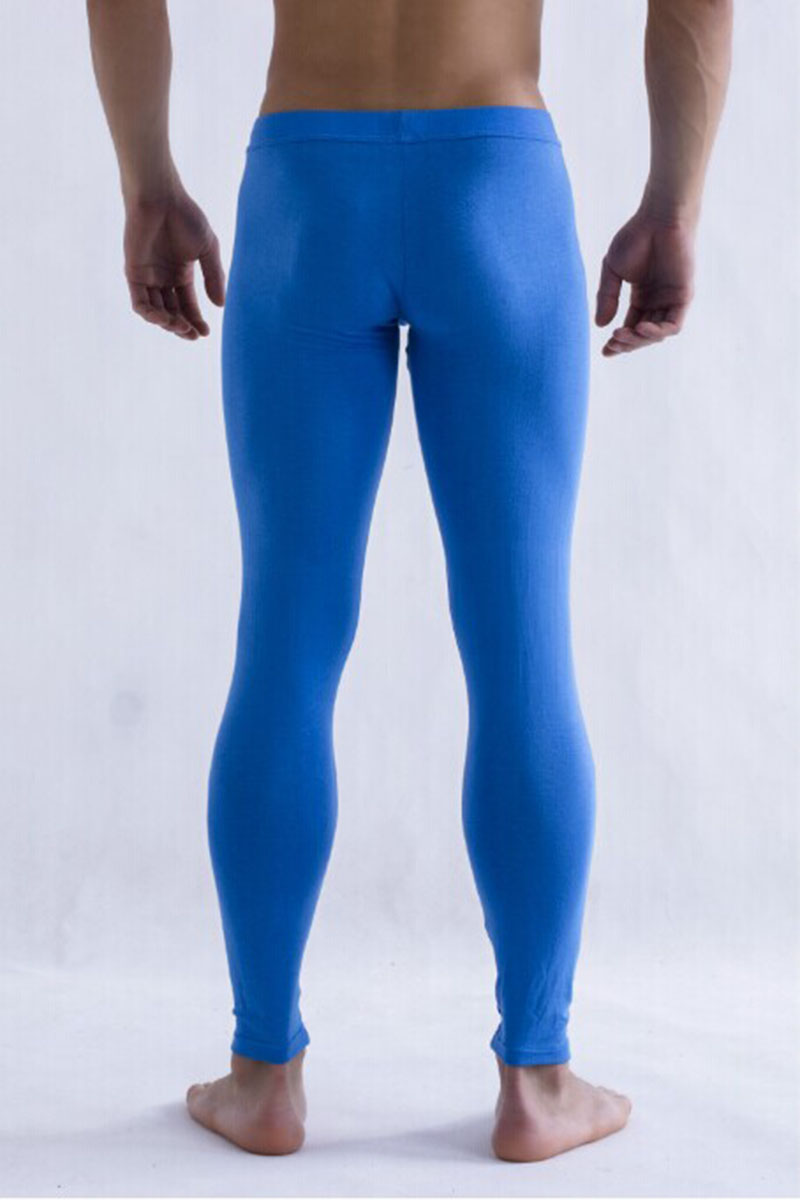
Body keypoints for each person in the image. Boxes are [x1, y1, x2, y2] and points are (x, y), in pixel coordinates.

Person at [87, 0, 732, 1163]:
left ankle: (262, 1073)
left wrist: (147, 182)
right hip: (496, 178)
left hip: (305, 184)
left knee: (284, 643)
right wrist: (673, 202)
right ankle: (536, 1079)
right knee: (522, 647)